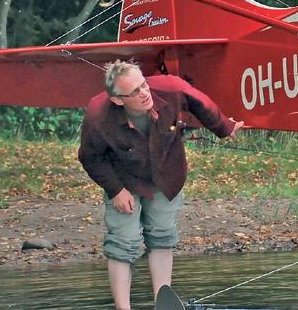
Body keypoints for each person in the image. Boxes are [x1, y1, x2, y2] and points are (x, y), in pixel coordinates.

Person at [79, 60, 243, 309]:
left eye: (143, 85)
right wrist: (116, 190)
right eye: (134, 92)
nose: (144, 93)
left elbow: (201, 103)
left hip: (166, 175)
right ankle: (123, 308)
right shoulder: (98, 114)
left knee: (162, 235)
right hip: (124, 179)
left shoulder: (170, 89)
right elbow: (89, 157)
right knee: (124, 241)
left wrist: (224, 127)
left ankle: (163, 303)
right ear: (117, 100)